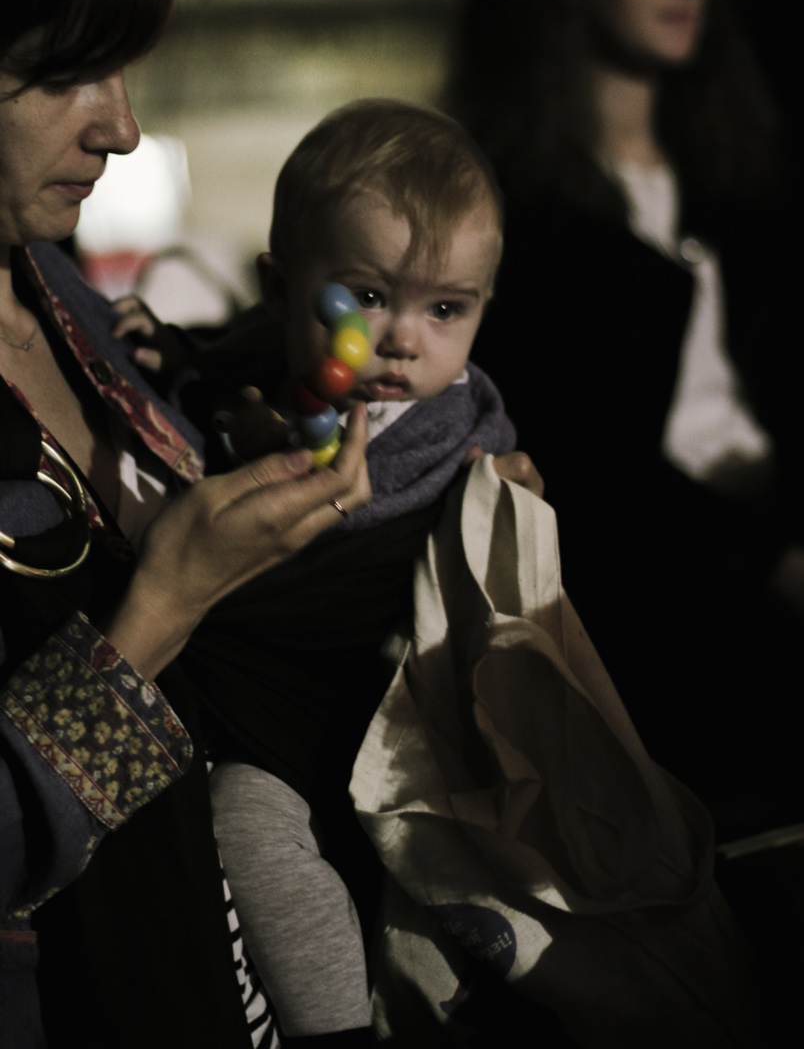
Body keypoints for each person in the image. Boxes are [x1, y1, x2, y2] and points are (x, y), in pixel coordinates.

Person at [0, 0, 369, 1047]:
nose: (121, 126)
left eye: (121, 68)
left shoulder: (56, 289)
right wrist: (160, 605)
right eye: (68, 72)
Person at [451, 0, 802, 839]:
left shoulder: (745, 181)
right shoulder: (513, 209)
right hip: (663, 608)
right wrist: (772, 559)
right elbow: (592, 465)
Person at [152, 99, 519, 1046]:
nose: (403, 339)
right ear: (281, 291)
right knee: (243, 827)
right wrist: (212, 389)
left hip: (396, 727)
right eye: (366, 295)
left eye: (447, 309)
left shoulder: (455, 429)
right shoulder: (264, 367)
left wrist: (501, 500)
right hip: (273, 729)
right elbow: (229, 387)